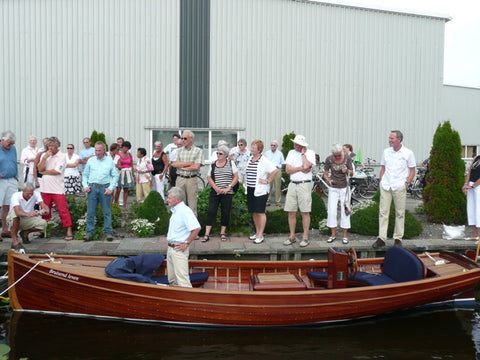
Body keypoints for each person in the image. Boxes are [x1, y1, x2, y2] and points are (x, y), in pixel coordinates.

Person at [373, 130, 416, 248]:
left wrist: (406, 183)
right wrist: (381, 181)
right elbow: (383, 168)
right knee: (383, 212)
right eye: (389, 138)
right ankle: (381, 238)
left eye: (392, 138)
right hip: (386, 185)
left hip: (399, 186)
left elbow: (412, 170)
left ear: (399, 139)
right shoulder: (386, 152)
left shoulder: (408, 153)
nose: (389, 140)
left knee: (400, 213)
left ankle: (398, 238)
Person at [37, 136, 74, 240]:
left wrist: (44, 172)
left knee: (63, 209)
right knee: (45, 209)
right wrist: (44, 158)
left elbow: (57, 171)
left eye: (52, 145)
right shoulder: (45, 155)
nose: (50, 147)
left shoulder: (62, 156)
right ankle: (43, 230)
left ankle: (68, 230)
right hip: (45, 187)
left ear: (57, 146)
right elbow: (39, 169)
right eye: (49, 145)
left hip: (57, 188)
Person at [283, 135, 316, 247]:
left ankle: (305, 237)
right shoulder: (291, 153)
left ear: (302, 145)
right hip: (292, 184)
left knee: (305, 212)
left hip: (304, 184)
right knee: (291, 211)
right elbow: (288, 170)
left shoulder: (310, 153)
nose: (295, 145)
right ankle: (292, 236)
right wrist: (301, 168)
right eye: (295, 143)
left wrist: (303, 154)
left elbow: (308, 166)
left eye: (297, 144)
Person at [82, 141, 119, 242]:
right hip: (92, 188)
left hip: (104, 188)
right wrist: (85, 186)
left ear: (103, 150)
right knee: (90, 212)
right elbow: (85, 175)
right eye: (96, 150)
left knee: (106, 212)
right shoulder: (91, 161)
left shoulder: (109, 161)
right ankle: (89, 233)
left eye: (99, 150)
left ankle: (108, 232)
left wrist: (111, 188)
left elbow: (115, 175)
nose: (97, 152)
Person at [165, 187, 201, 287]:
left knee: (183, 282)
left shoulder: (185, 211)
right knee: (172, 280)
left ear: (177, 200)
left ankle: (190, 302)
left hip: (178, 249)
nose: (167, 200)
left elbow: (197, 228)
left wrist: (186, 243)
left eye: (169, 198)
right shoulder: (176, 210)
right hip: (171, 248)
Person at [203, 145, 239, 242]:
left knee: (225, 212)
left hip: (227, 192)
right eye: (217, 153)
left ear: (226, 155)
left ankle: (222, 233)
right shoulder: (213, 164)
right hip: (215, 192)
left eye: (220, 153)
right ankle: (207, 234)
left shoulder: (231, 163)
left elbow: (236, 176)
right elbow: (209, 177)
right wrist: (215, 188)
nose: (218, 155)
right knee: (211, 211)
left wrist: (229, 187)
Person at [246, 140, 278, 244]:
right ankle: (257, 231)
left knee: (260, 212)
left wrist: (268, 180)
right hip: (250, 189)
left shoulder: (264, 160)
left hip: (260, 191)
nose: (251, 149)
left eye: (253, 148)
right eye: (251, 147)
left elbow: (274, 170)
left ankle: (260, 234)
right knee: (254, 212)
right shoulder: (250, 159)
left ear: (259, 150)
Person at [324, 144, 354, 244]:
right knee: (331, 211)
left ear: (342, 152)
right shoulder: (329, 159)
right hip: (333, 188)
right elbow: (325, 173)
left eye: (339, 155)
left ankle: (344, 236)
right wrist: (329, 180)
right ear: (332, 154)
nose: (337, 157)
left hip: (344, 188)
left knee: (345, 210)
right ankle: (333, 235)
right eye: (335, 156)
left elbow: (352, 173)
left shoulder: (347, 158)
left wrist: (347, 171)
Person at [7, 183, 49, 250]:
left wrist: (45, 209)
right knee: (15, 216)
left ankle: (25, 232)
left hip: (27, 218)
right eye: (28, 194)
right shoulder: (16, 196)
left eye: (31, 193)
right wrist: (29, 214)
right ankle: (15, 241)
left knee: (43, 223)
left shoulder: (36, 194)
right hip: (15, 218)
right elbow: (17, 212)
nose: (30, 195)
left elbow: (42, 204)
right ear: (22, 191)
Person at [172, 130, 203, 215]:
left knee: (192, 205)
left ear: (191, 139)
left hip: (191, 179)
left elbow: (196, 166)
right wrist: (189, 164)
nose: (182, 140)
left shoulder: (198, 150)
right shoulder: (179, 150)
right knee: (178, 204)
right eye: (181, 138)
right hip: (180, 179)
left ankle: (193, 228)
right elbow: (174, 164)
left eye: (185, 138)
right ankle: (180, 226)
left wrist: (181, 166)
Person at [0, 130, 18, 240]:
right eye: (9, 143)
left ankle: (5, 229)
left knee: (8, 206)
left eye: (12, 143)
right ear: (2, 140)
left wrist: (16, 175)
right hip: (1, 180)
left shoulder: (13, 149)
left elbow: (14, 162)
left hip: (12, 179)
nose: (10, 145)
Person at [463, 155, 480, 239]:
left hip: (478, 186)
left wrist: (473, 186)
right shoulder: (476, 158)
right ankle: (475, 232)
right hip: (471, 184)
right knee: (472, 208)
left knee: (478, 208)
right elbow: (469, 172)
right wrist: (466, 184)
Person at [264, 140, 285, 207]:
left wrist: (279, 167)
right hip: (269, 170)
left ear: (277, 146)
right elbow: (264, 162)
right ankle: (267, 200)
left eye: (274, 145)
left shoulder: (280, 154)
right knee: (268, 186)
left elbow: (283, 162)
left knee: (277, 186)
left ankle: (278, 201)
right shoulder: (267, 153)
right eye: (271, 145)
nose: (272, 146)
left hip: (277, 169)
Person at [115, 141, 135, 207]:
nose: (126, 149)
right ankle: (115, 203)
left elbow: (131, 165)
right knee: (118, 189)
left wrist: (133, 174)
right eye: (125, 147)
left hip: (128, 172)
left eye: (127, 148)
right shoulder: (118, 154)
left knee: (126, 189)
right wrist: (119, 166)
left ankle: (124, 204)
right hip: (120, 173)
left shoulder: (129, 155)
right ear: (122, 147)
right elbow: (117, 163)